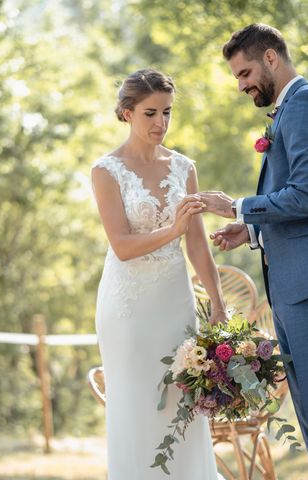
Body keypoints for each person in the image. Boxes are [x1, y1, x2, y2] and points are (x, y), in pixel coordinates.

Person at [198, 24, 308, 480]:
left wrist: (237, 205)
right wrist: (252, 229)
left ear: (272, 57)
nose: (241, 85)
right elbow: (306, 207)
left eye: (244, 73)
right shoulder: (292, 109)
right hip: (303, 282)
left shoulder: (306, 106)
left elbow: (306, 198)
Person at [91, 68, 224, 479]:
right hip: (127, 309)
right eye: (150, 113)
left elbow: (197, 245)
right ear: (127, 112)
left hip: (174, 304)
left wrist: (218, 306)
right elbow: (122, 245)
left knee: (183, 406)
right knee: (135, 409)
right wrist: (172, 230)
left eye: (167, 112)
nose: (161, 123)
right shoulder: (106, 171)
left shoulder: (184, 167)